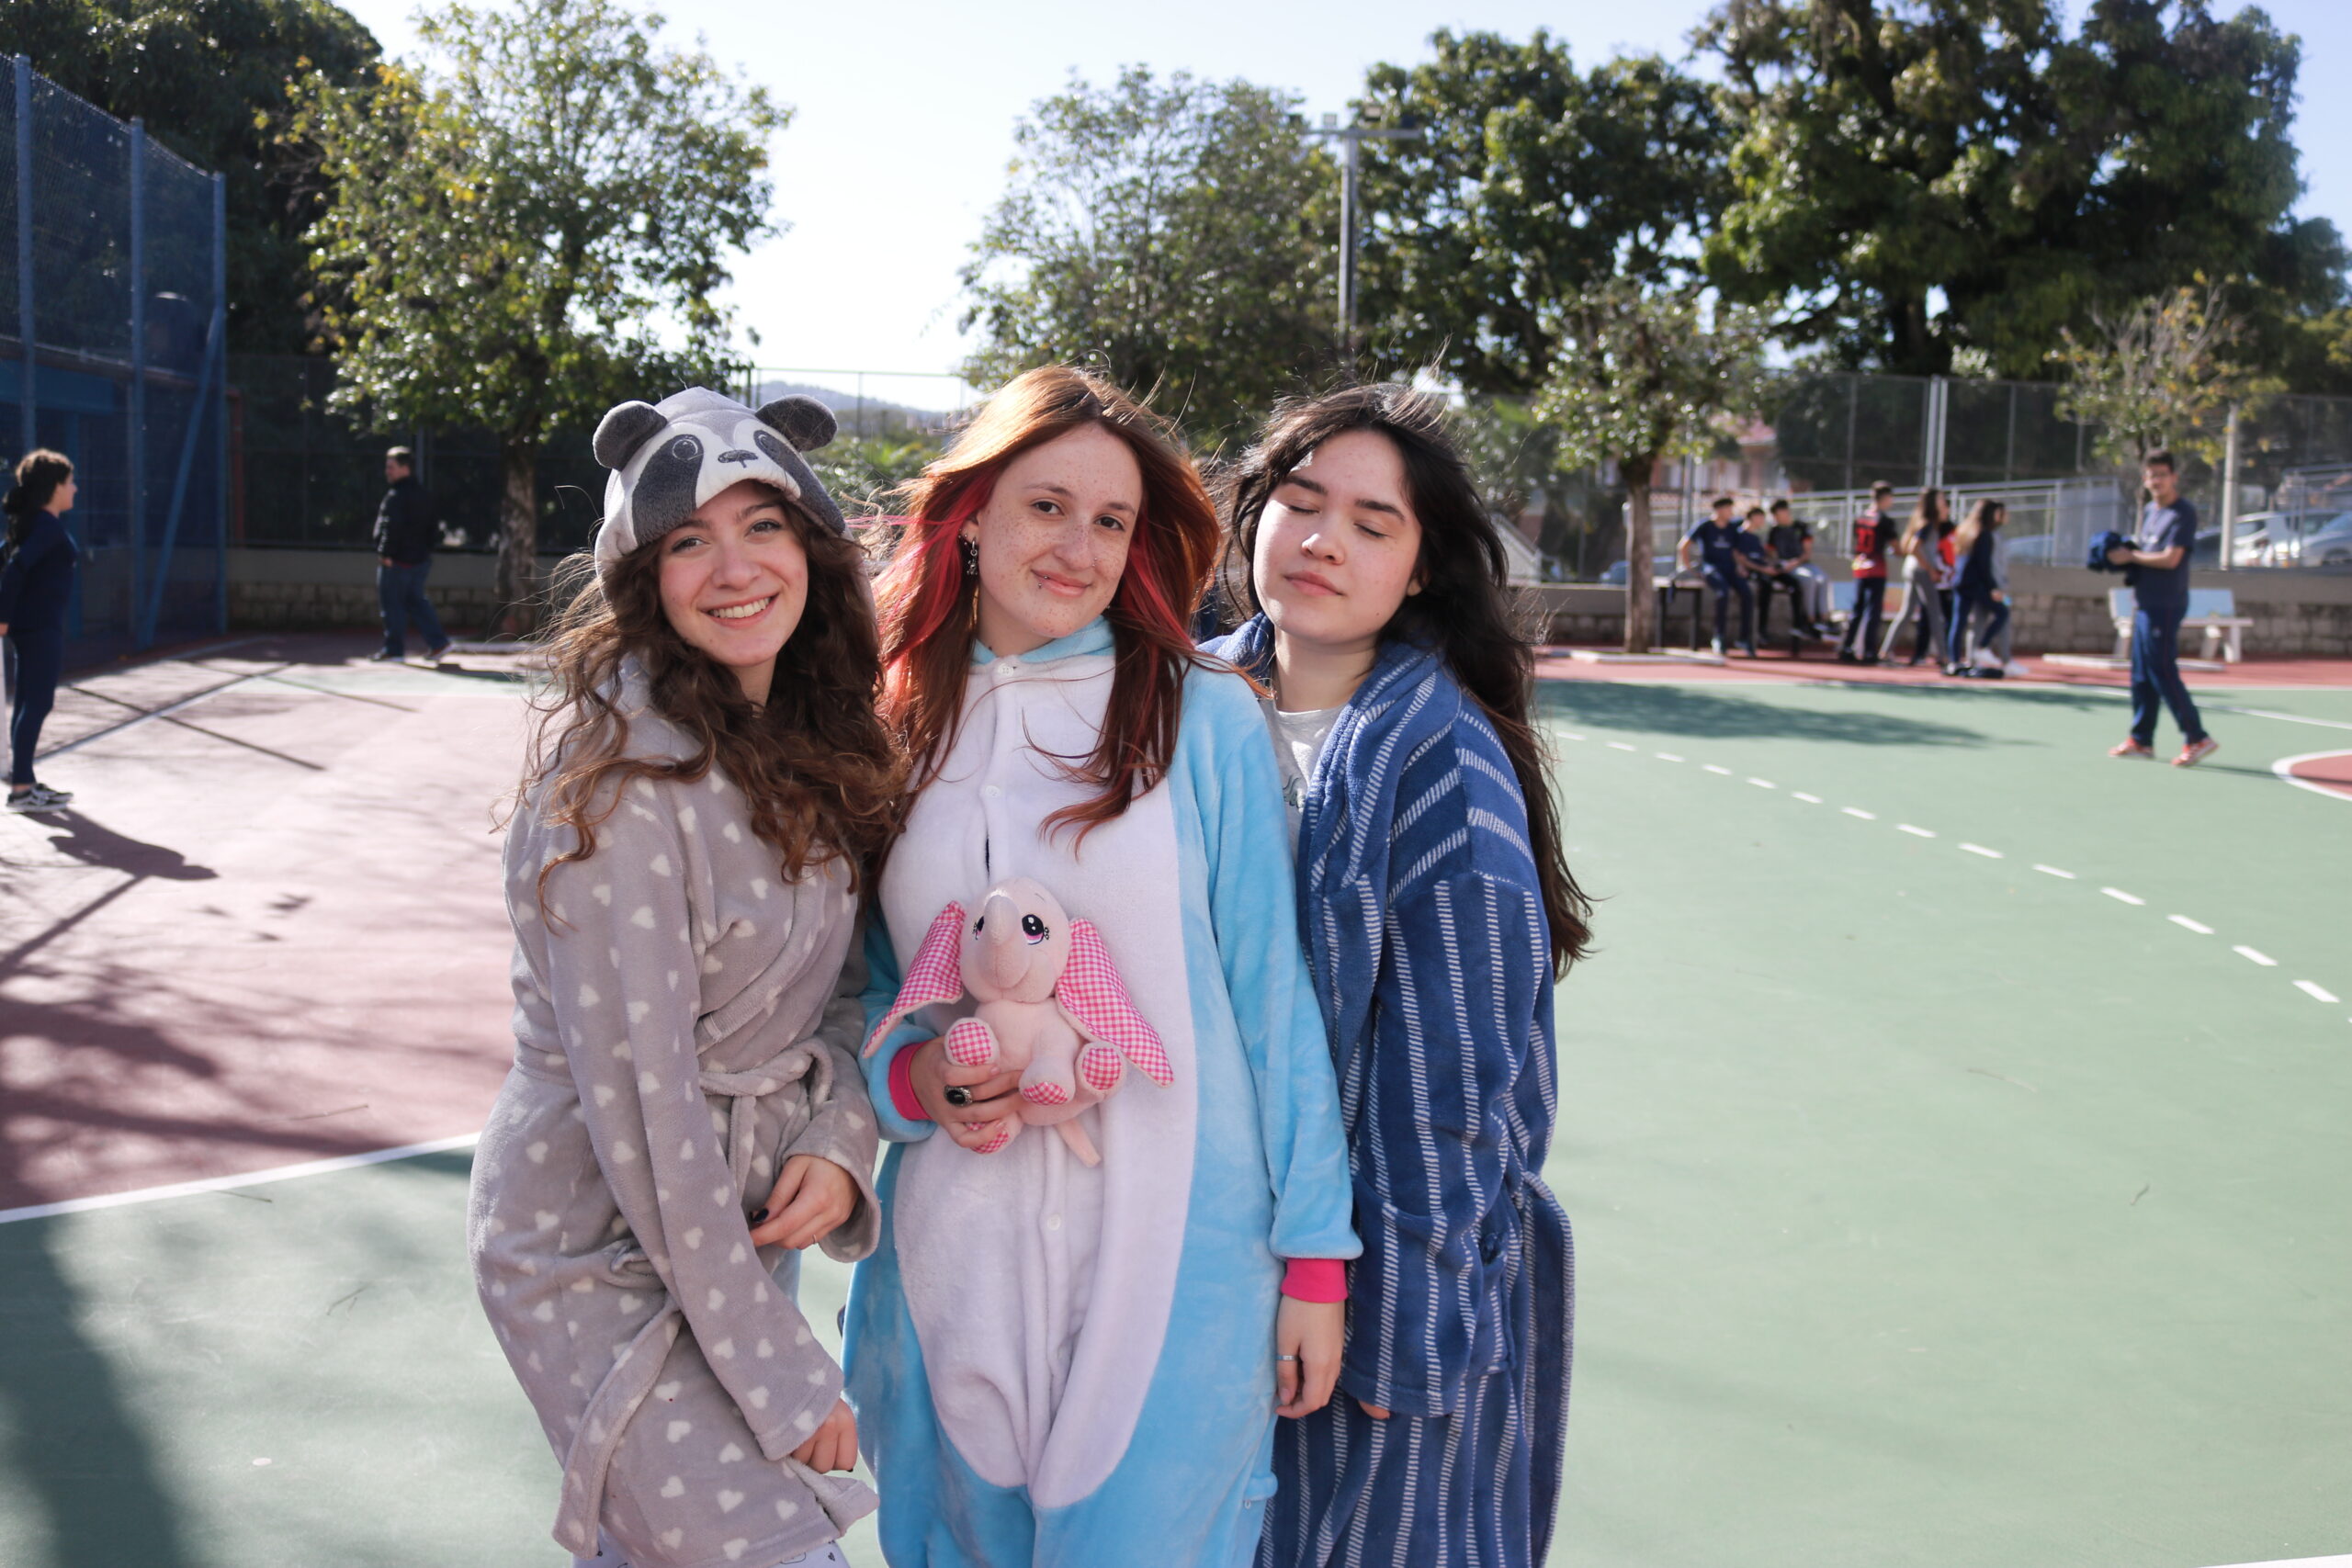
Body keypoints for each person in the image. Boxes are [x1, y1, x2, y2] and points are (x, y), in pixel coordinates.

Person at [842, 366, 1357, 1568]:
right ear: (972, 516)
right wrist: (914, 1083)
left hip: (1176, 1266)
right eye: (1047, 506)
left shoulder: (1202, 714)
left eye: (1112, 521)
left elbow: (1273, 994)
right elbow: (867, 992)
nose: (1079, 548)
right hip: (951, 1265)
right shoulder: (888, 725)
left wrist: (1316, 1256)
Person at [469, 388, 903, 1568]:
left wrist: (838, 1134)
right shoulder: (614, 792)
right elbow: (649, 1116)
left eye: (763, 525)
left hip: (729, 1236)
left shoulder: (808, 744)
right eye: (687, 542)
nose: (735, 568)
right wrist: (781, 1374)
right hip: (593, 1247)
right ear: (641, 577)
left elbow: (847, 990)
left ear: (811, 546)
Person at [1204, 385, 1587, 1568]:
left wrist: (1406, 1331)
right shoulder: (1180, 700)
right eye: (1300, 502)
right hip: (1194, 1243)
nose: (1322, 541)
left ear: (1421, 570)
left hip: (1362, 1279)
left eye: (1372, 524)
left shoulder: (1440, 773)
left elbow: (1449, 1090)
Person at [2107, 450, 2217, 765]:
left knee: (2162, 670)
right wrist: (2121, 556)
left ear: (2174, 477)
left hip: (2166, 604)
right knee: (2141, 673)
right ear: (2144, 479)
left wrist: (2132, 557)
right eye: (2151, 475)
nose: (2156, 481)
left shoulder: (2183, 512)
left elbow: (2171, 559)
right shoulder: (2151, 511)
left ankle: (2196, 737)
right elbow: (2146, 553)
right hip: (2144, 602)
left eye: (2162, 475)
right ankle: (2141, 739)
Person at [0, 449, 81, 814]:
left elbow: (7, 558)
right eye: (70, 482)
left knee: (29, 702)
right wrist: (3, 616)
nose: (74, 489)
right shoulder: (46, 527)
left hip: (32, 625)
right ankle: (21, 789)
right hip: (39, 627)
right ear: (55, 487)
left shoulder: (34, 523)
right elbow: (15, 569)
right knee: (37, 703)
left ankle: (25, 782)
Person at [372, 446, 451, 666]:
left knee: (392, 605)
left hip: (397, 561)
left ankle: (394, 650)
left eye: (391, 467)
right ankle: (439, 643)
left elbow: (391, 527)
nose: (387, 471)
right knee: (416, 601)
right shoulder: (424, 494)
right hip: (419, 560)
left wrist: (386, 554)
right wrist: (425, 552)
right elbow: (433, 528)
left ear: (405, 468)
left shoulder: (396, 496)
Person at [1676, 494, 1755, 657]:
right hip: (1711, 568)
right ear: (1719, 509)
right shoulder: (1705, 525)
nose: (1731, 512)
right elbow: (1683, 545)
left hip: (1730, 568)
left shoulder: (1732, 527)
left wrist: (1740, 566)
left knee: (1747, 594)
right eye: (1728, 508)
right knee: (1722, 593)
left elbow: (1735, 551)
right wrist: (1689, 568)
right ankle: (1719, 637)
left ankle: (1744, 638)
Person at [1879, 487, 1950, 667]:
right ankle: (1944, 656)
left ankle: (1886, 650)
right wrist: (1930, 569)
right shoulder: (1927, 523)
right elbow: (1913, 547)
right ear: (1933, 502)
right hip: (1920, 570)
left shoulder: (1921, 520)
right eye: (1941, 499)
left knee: (1907, 612)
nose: (1943, 502)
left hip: (1911, 569)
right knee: (1935, 612)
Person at [1946, 500, 2013, 678]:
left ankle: (1954, 660)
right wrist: (1993, 588)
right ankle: (1982, 647)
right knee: (2002, 611)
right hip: (1975, 584)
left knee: (1959, 622)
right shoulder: (1984, 534)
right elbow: (1984, 565)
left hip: (1960, 581)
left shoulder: (1966, 530)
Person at [1836, 482, 1895, 664]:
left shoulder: (1861, 517)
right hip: (1876, 568)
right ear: (1884, 497)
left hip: (1860, 565)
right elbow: (1896, 545)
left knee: (1857, 609)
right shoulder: (1884, 521)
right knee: (1873, 611)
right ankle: (1869, 651)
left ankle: (1847, 646)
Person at [1760, 498, 1830, 641]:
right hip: (1787, 566)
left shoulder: (1801, 527)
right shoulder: (1774, 531)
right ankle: (1810, 619)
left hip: (1802, 563)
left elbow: (1807, 553)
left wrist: (1795, 562)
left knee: (1823, 578)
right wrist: (1780, 564)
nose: (1776, 518)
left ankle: (1824, 618)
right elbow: (1771, 553)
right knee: (1809, 580)